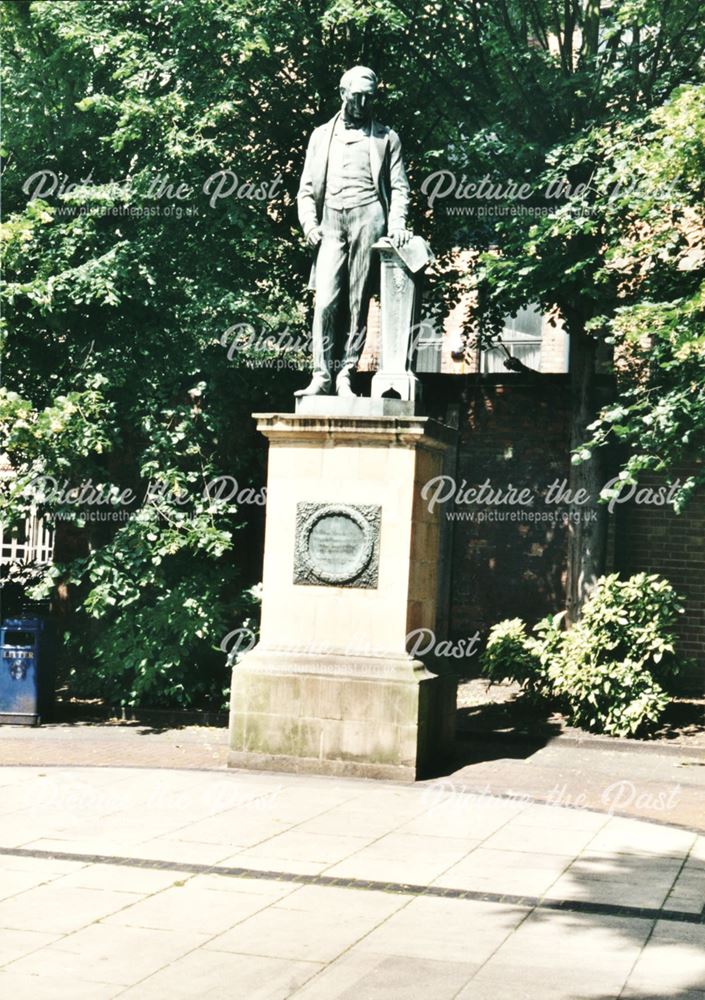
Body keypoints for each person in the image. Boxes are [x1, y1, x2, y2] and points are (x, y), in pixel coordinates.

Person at [296, 66, 411, 397]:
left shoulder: (386, 138)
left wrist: (397, 224)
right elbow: (305, 190)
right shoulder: (321, 135)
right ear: (343, 92)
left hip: (369, 219)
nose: (362, 103)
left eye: (368, 97)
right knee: (326, 302)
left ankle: (346, 372)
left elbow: (400, 188)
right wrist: (310, 225)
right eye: (356, 95)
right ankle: (321, 375)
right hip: (331, 223)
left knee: (358, 302)